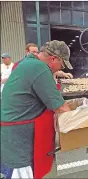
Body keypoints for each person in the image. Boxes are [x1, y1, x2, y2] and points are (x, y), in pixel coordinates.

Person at [1, 40, 73, 179]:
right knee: (20, 174)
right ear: (53, 58)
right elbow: (60, 108)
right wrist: (81, 121)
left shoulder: (27, 63)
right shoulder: (39, 68)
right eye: (62, 65)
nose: (60, 69)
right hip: (20, 139)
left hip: (11, 134)